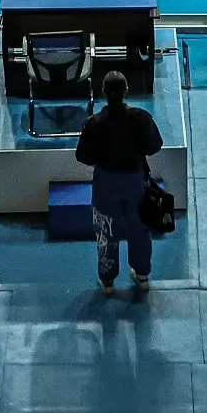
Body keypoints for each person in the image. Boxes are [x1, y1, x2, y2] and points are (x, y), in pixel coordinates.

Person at [74, 69, 164, 299]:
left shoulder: (94, 123)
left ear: (104, 92)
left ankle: (108, 282)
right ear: (126, 91)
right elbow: (155, 145)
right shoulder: (141, 118)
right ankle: (142, 275)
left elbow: (83, 156)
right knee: (140, 230)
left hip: (106, 183)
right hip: (135, 182)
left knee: (106, 232)